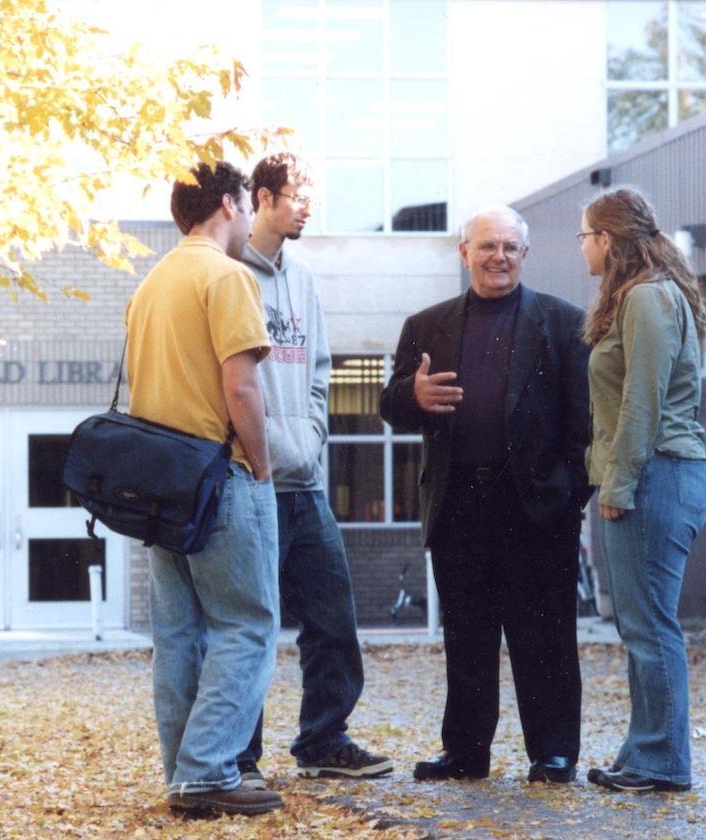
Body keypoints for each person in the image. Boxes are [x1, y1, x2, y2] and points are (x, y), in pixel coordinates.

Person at [378, 205, 591, 784]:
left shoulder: (564, 323)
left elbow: (587, 426)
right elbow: (389, 403)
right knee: (467, 637)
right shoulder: (426, 326)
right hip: (459, 506)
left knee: (544, 635)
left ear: (525, 254)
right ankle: (466, 753)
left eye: (511, 248)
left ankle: (553, 752)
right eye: (488, 246)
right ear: (464, 252)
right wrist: (412, 395)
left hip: (537, 508)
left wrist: (568, 494)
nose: (499, 257)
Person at [125, 161, 282, 816]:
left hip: (159, 483)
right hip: (220, 474)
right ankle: (208, 770)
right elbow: (241, 386)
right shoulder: (227, 277)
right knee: (247, 624)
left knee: (180, 633)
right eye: (247, 207)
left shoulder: (151, 285)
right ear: (227, 204)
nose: (249, 221)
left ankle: (185, 774)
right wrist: (262, 462)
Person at [232, 152, 393, 785]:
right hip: (250, 485)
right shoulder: (227, 274)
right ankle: (241, 759)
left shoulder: (304, 281)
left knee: (333, 619)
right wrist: (263, 449)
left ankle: (324, 741)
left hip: (306, 485)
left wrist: (314, 432)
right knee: (250, 625)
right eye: (299, 195)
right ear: (265, 197)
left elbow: (320, 370)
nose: (308, 207)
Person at [577, 186, 706, 794]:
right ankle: (644, 752)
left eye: (586, 235)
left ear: (608, 240)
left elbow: (643, 400)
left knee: (652, 626)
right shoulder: (641, 296)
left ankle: (662, 763)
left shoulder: (649, 299)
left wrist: (620, 483)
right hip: (654, 473)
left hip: (656, 474)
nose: (583, 246)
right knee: (641, 626)